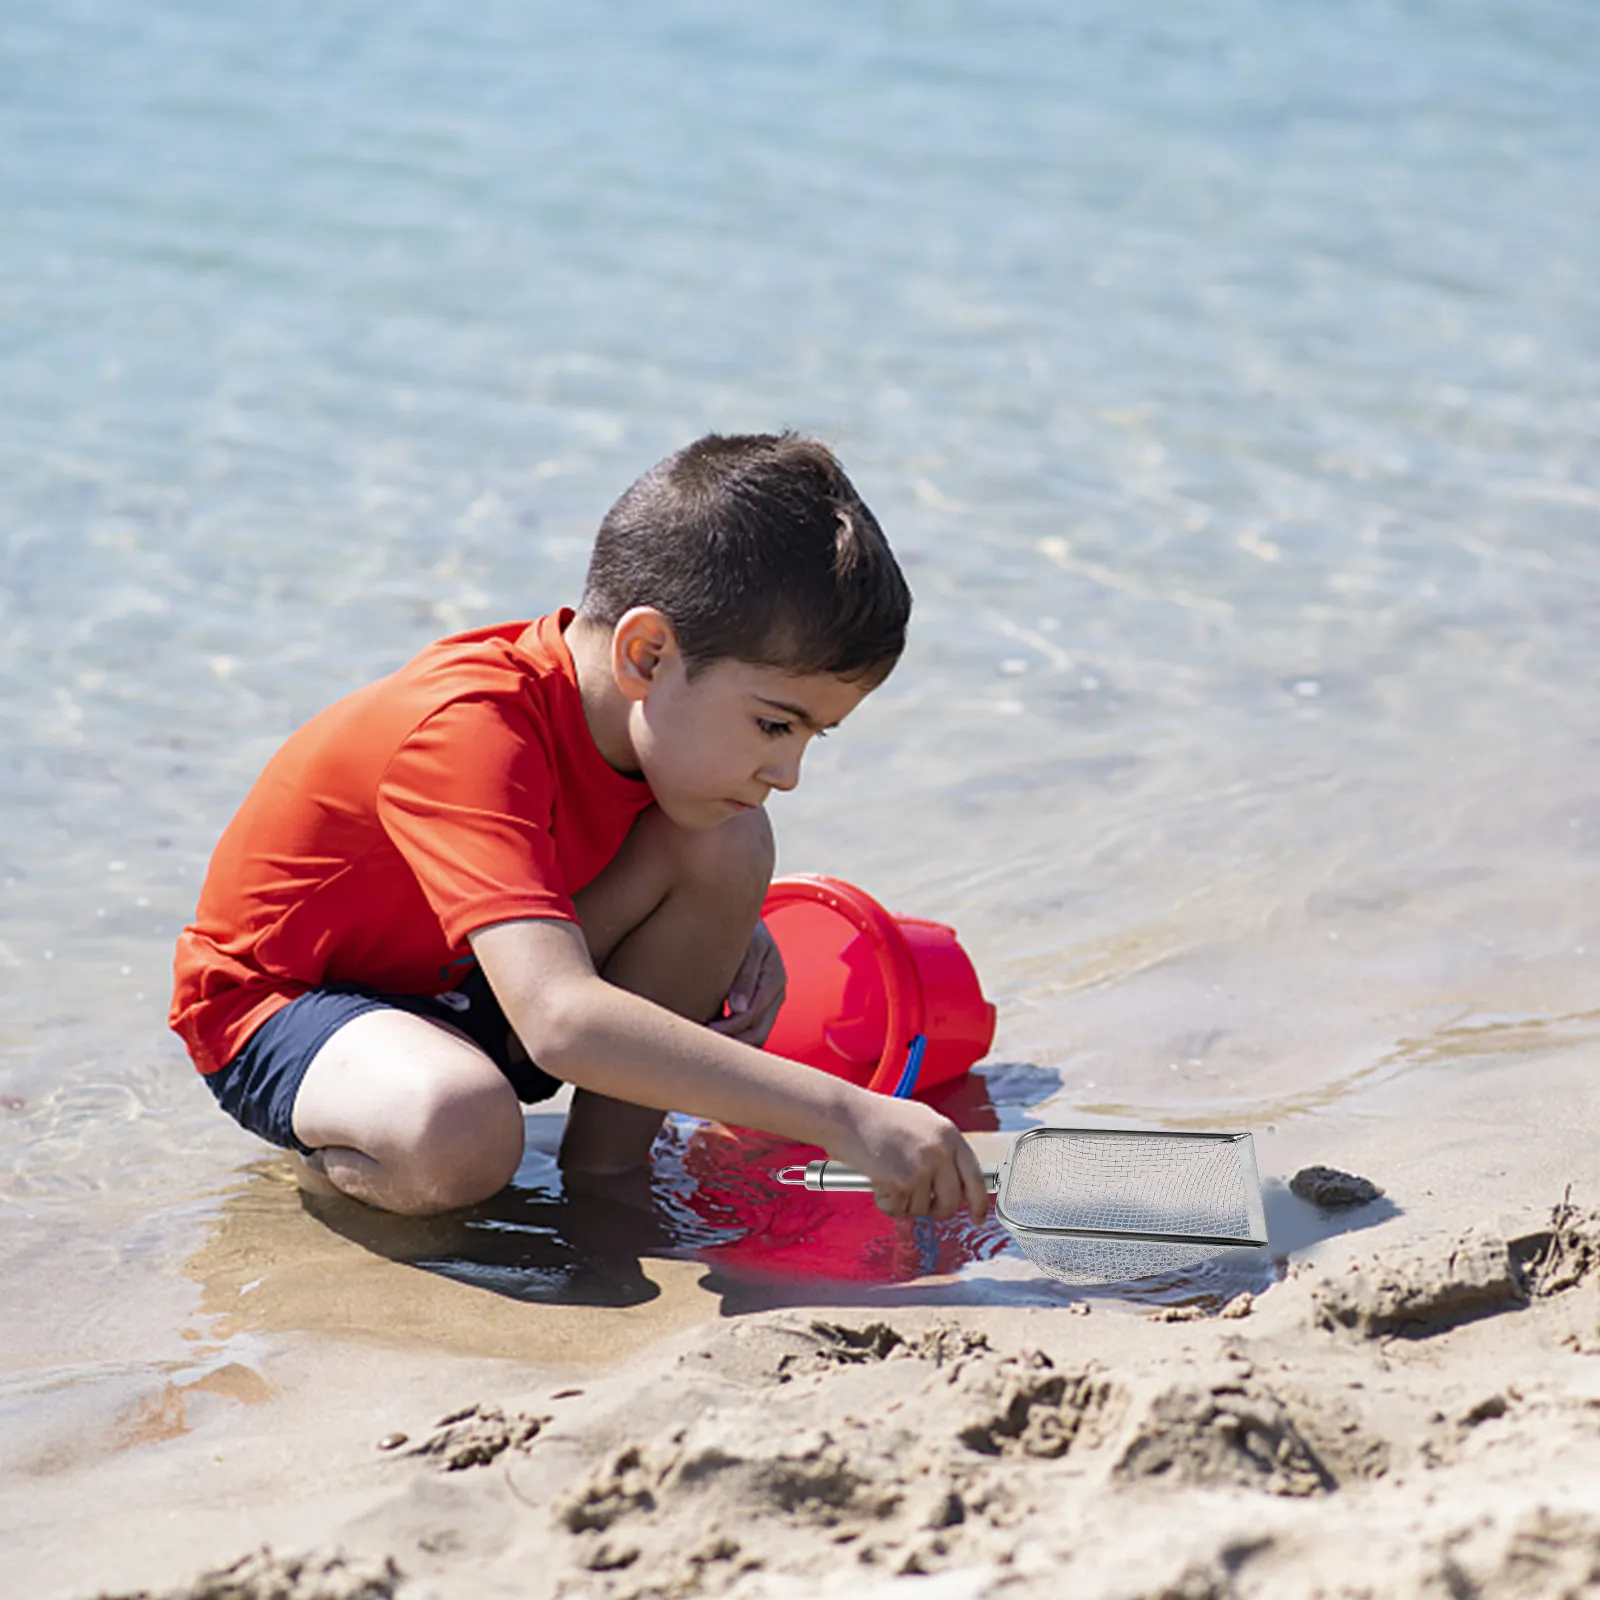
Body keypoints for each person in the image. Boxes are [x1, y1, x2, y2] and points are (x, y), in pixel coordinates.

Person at [170, 432, 989, 1224]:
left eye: (815, 736)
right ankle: (336, 1166)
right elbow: (559, 1021)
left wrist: (727, 925)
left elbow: (616, 914)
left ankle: (606, 1179)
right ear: (646, 655)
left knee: (730, 841)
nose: (789, 772)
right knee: (459, 1130)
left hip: (472, 982)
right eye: (777, 726)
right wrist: (848, 1117)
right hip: (284, 1004)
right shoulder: (468, 729)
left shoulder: (644, 732)